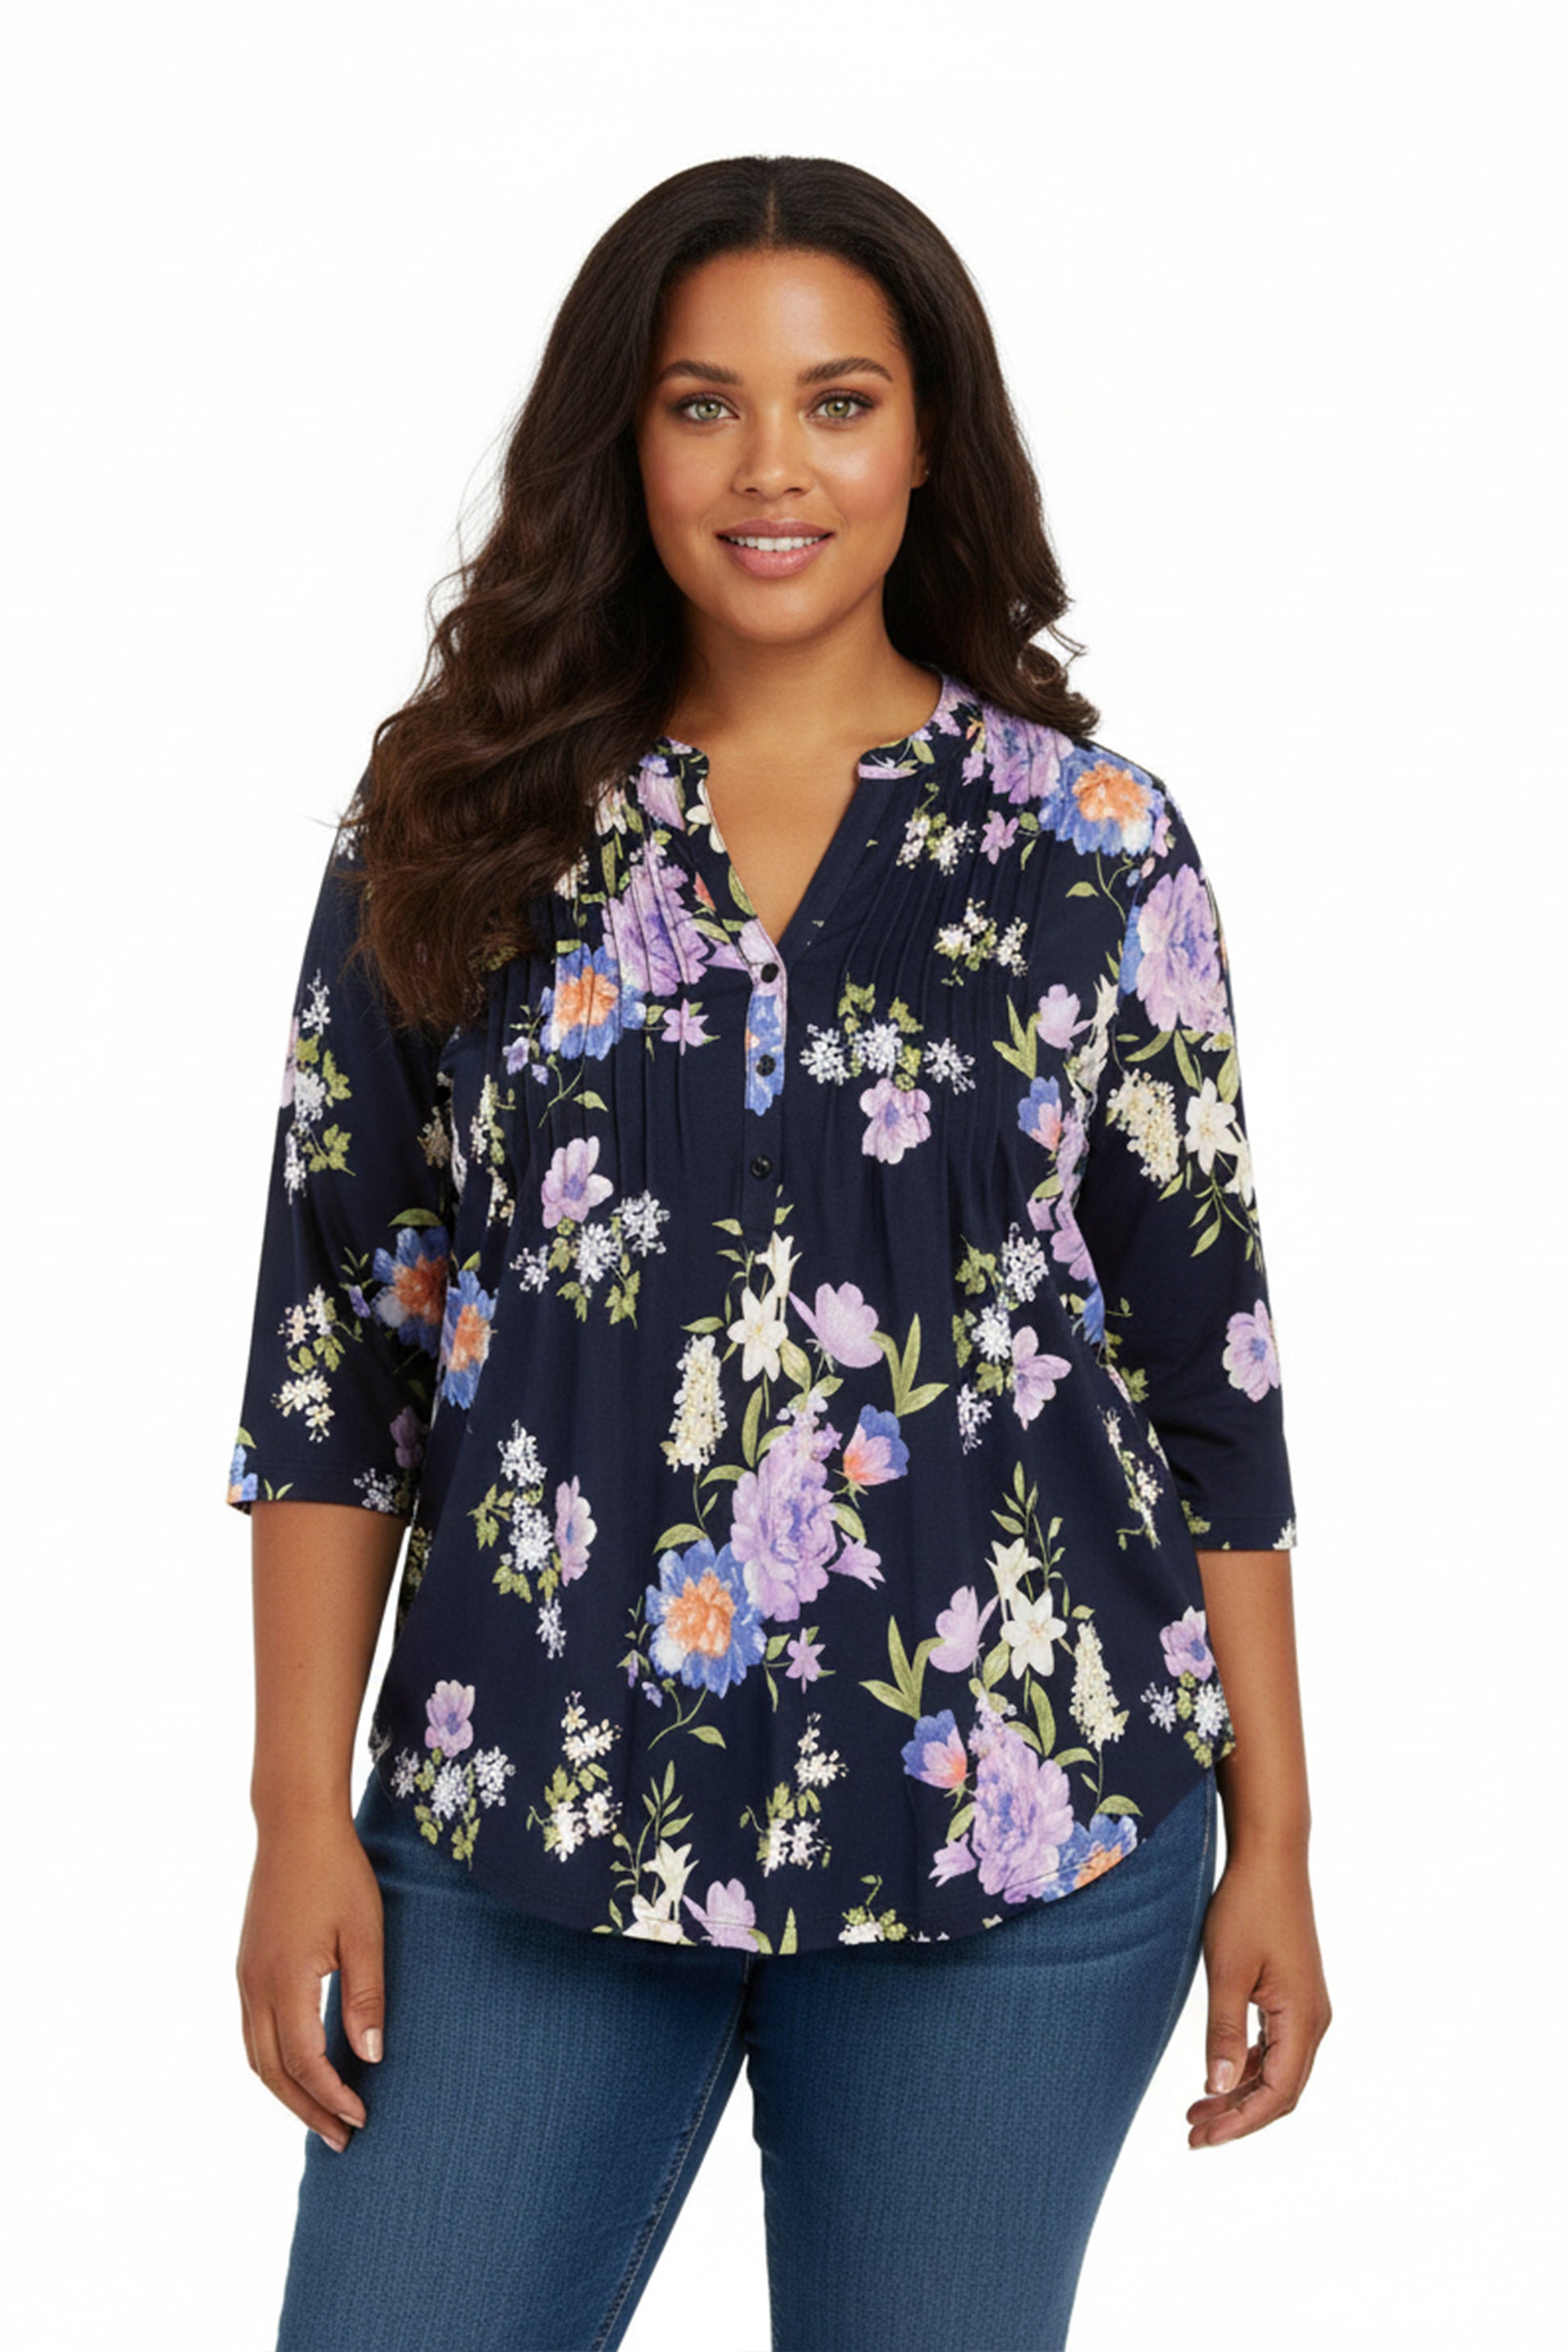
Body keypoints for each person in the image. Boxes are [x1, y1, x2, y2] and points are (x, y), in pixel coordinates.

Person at [230, 154, 1331, 2352]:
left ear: (926, 441)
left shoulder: (1091, 846)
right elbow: (340, 1352)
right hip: (527, 1809)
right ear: (619, 443)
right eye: (699, 404)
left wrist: (1277, 1839)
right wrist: (293, 1820)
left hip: (1017, 1830)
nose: (770, 468)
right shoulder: (453, 826)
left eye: (836, 401)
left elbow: (1204, 1370)